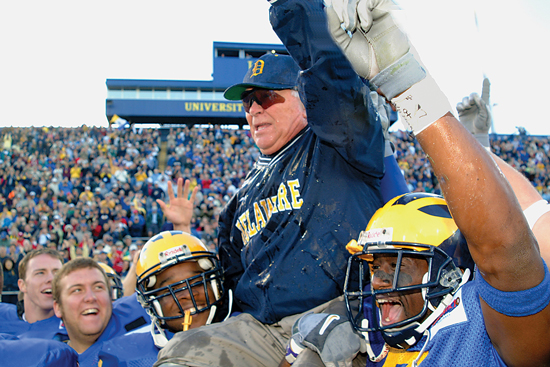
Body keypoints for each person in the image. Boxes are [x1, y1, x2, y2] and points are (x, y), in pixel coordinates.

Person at [279, 0, 550, 366]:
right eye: (376, 267)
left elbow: (506, 247)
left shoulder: (477, 328)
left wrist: (406, 85)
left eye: (398, 265)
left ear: (451, 277)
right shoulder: (375, 343)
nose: (378, 283)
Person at [155, 0, 389, 365]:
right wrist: (183, 229)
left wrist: (294, 9)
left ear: (305, 100)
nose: (253, 110)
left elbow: (331, 80)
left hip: (341, 310)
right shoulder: (240, 196)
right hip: (262, 330)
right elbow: (227, 282)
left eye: (266, 96)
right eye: (248, 102)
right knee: (180, 354)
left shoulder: (336, 143)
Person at [96, 230, 228, 367]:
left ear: (215, 284)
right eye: (172, 290)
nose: (188, 295)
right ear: (153, 302)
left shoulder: (245, 330)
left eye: (196, 282)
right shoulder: (123, 354)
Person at [52, 257, 150, 367]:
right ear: (58, 308)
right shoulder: (53, 357)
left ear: (110, 297)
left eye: (98, 287)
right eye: (77, 290)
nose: (90, 297)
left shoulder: (140, 312)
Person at [0, 248, 68, 340]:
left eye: (57, 273)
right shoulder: (4, 318)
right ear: (23, 285)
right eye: (40, 273)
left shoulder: (74, 328)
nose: (51, 279)